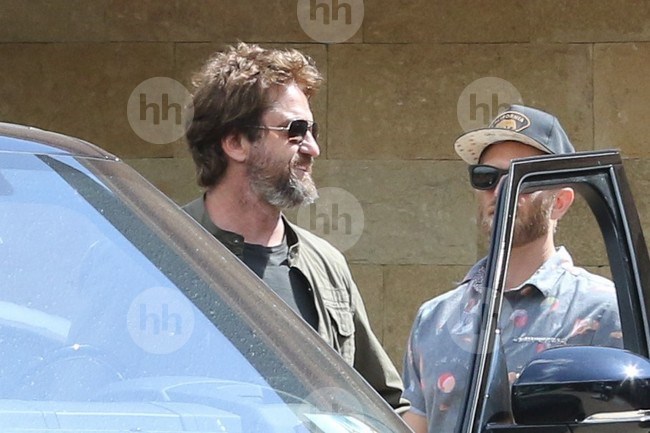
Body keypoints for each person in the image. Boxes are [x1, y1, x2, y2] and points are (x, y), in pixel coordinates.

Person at [182, 42, 408, 411]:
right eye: (295, 130)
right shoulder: (156, 250)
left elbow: (384, 405)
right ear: (236, 142)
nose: (313, 148)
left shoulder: (326, 264)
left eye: (313, 130)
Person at [402, 104, 622, 433]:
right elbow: (416, 425)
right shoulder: (435, 318)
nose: (500, 190)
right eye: (486, 177)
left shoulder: (604, 311)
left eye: (523, 179)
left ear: (560, 201)